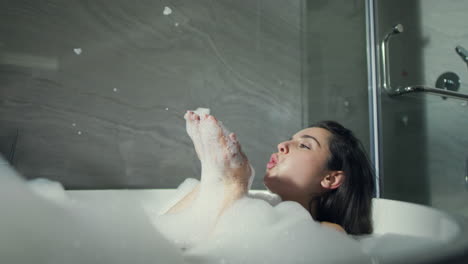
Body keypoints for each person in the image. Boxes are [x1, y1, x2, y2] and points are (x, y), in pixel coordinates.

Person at [164, 111, 374, 237]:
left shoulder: (329, 233)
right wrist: (213, 179)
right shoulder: (255, 208)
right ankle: (218, 177)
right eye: (289, 139)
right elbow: (167, 237)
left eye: (304, 145)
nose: (282, 145)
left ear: (330, 178)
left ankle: (229, 179)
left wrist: (234, 184)